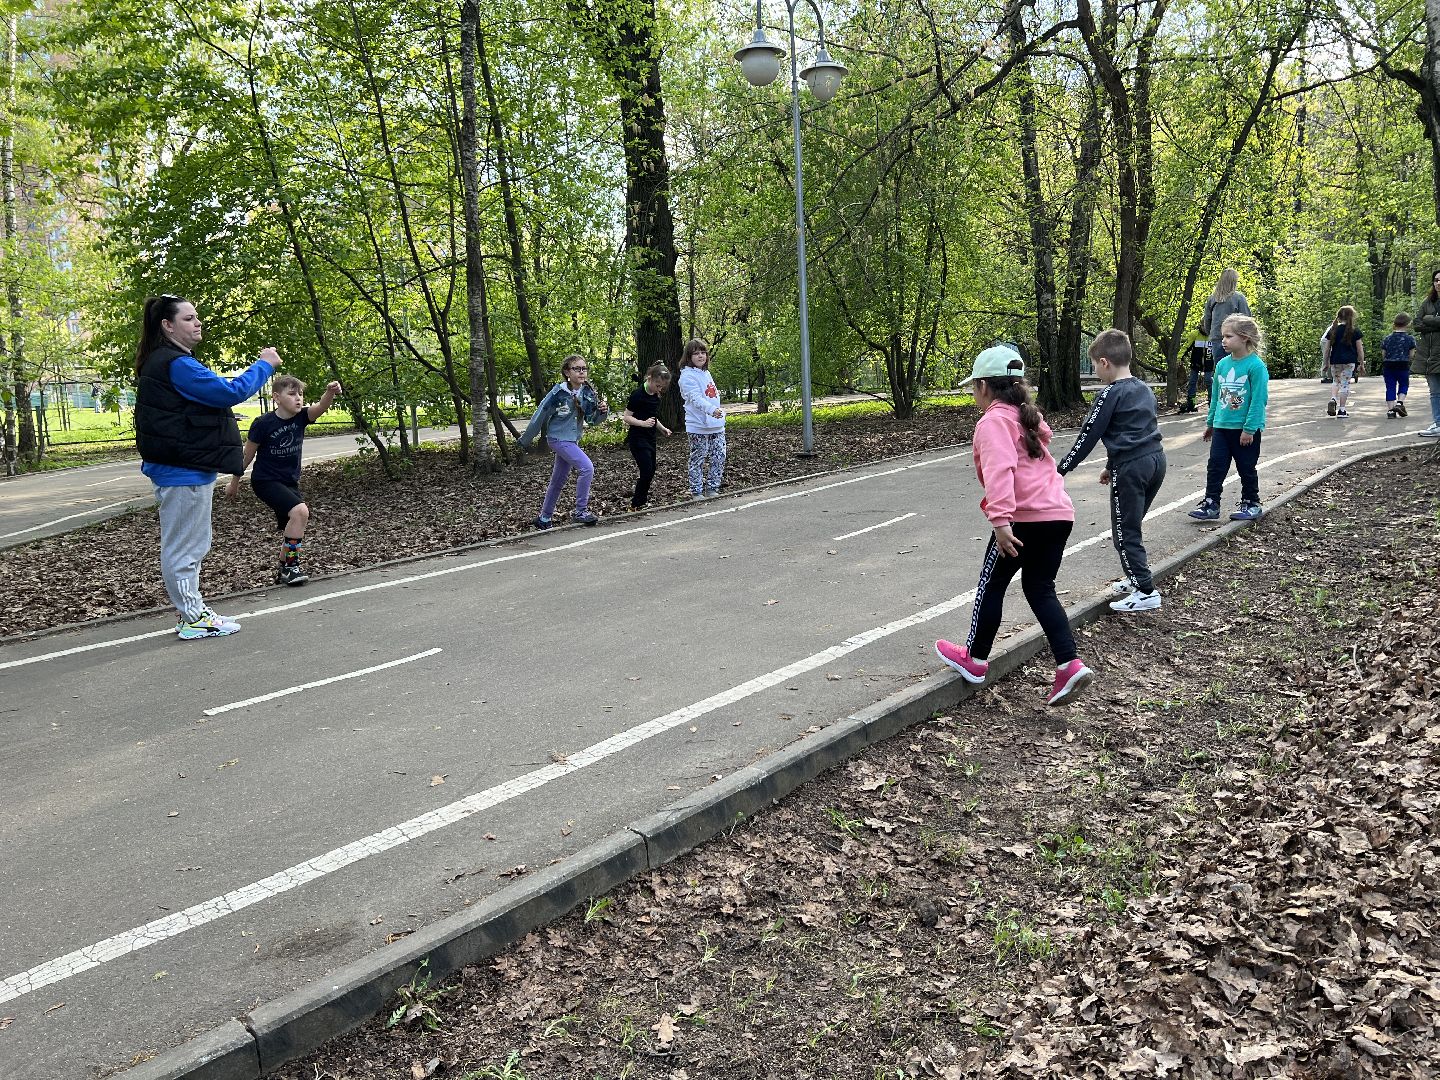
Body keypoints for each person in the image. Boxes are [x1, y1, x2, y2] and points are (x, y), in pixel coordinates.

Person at [934, 345, 1094, 706]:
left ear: (985, 387)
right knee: (1040, 588)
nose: (974, 395)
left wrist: (1001, 520)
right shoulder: (1026, 417)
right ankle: (1069, 664)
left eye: (974, 387)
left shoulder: (993, 421)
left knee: (991, 585)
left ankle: (974, 659)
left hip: (1022, 519)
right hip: (1058, 515)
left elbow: (1000, 471)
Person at [133, 294, 280, 639]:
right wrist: (264, 365)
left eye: (197, 317)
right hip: (182, 471)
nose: (197, 323)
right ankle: (192, 617)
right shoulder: (176, 364)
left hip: (186, 467)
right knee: (185, 546)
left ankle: (193, 612)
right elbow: (228, 392)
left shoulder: (169, 361)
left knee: (192, 543)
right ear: (167, 326)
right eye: (188, 319)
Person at [1056, 329, 1166, 614]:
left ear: (1105, 362)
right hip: (1155, 461)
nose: (1095, 370)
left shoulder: (1110, 394)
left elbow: (1089, 435)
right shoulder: (1144, 388)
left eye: (1094, 365)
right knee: (1132, 524)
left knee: (1124, 532)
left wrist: (1062, 469)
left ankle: (1145, 590)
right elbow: (1135, 429)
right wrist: (1109, 465)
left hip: (1131, 468)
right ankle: (1134, 578)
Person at [225, 375, 341, 586]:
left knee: (297, 519)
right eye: (292, 394)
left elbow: (321, 407)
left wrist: (330, 392)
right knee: (300, 512)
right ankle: (290, 567)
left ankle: (284, 568)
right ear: (277, 397)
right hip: (265, 481)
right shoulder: (263, 424)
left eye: (301, 394)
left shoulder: (302, 417)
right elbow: (246, 456)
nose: (298, 398)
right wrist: (234, 482)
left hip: (289, 481)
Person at [1188, 314, 1269, 522]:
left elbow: (1258, 400)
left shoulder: (1256, 366)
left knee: (1246, 467)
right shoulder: (1222, 364)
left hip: (1244, 430)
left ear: (1244, 338)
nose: (1223, 340)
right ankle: (1210, 503)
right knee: (1215, 465)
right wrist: (1210, 423)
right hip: (1222, 427)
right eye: (1223, 336)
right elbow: (1216, 396)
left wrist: (1249, 429)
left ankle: (1251, 503)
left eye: (1228, 336)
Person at [516, 353, 609, 528]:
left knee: (558, 479)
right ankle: (581, 511)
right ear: (567, 372)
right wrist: (524, 441)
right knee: (587, 468)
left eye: (584, 368)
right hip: (558, 438)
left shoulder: (587, 392)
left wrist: (603, 411)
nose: (582, 372)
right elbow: (540, 416)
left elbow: (592, 420)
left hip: (572, 440)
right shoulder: (558, 393)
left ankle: (544, 518)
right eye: (577, 369)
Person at [1192, 269, 1251, 412]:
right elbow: (1247, 319)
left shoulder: (1212, 299)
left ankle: (1220, 404)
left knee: (1221, 372)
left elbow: (1207, 321)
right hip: (1236, 339)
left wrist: (1211, 333)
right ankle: (1236, 404)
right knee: (1237, 371)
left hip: (1217, 340)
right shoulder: (1238, 298)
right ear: (1233, 281)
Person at [678, 338, 725, 499]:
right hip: (697, 425)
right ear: (689, 357)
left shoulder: (706, 373)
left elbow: (711, 395)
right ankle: (697, 491)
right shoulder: (686, 377)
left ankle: (713, 487)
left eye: (703, 352)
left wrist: (718, 412)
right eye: (696, 353)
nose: (700, 356)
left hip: (716, 425)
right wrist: (712, 410)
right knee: (698, 458)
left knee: (719, 456)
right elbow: (696, 399)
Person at [622, 364, 673, 511]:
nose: (659, 389)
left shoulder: (656, 396)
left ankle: (640, 502)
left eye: (662, 387)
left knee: (651, 470)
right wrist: (642, 423)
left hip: (650, 438)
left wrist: (662, 429)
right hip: (637, 438)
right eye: (657, 386)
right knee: (646, 469)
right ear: (649, 378)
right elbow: (626, 417)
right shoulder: (637, 395)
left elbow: (653, 418)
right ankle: (636, 504)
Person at [1411, 269, 1440, 437]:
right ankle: (1437, 423)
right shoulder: (1427, 302)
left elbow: (1424, 321)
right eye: (1436, 280)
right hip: (1428, 355)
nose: (1438, 283)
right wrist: (1433, 322)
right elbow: (1416, 323)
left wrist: (1428, 320)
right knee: (1434, 391)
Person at [1323, 306, 1364, 417]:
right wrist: (1361, 363)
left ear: (1339, 317)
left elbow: (1327, 349)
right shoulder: (1355, 331)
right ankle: (1342, 410)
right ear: (1352, 317)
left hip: (1335, 361)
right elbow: (1360, 349)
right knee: (1345, 384)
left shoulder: (1333, 330)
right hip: (1349, 362)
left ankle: (1333, 398)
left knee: (1336, 382)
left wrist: (1325, 363)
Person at [1379, 312, 1416, 419]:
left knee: (1390, 387)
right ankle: (1400, 403)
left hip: (1389, 365)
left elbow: (1383, 354)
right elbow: (1411, 354)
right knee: (1404, 384)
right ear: (1408, 324)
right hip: (1403, 364)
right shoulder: (1410, 339)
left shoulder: (1387, 338)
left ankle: (1391, 410)